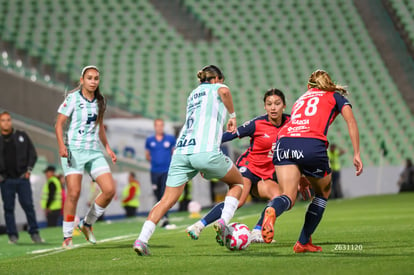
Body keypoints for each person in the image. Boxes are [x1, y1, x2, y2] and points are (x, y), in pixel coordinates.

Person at [133, 65, 244, 256]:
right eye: (221, 80)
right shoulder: (216, 88)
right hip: (205, 151)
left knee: (166, 200)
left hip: (182, 151)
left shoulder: (193, 95)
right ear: (216, 78)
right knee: (237, 182)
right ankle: (223, 222)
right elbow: (224, 91)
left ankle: (142, 240)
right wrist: (233, 116)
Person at [260, 69, 363, 253]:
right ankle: (303, 241)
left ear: (309, 86)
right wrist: (356, 153)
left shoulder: (301, 99)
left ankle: (273, 211)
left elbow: (297, 132)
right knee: (323, 192)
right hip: (311, 144)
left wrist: (301, 177)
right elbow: (351, 122)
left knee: (288, 197)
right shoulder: (335, 97)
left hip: (283, 141)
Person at [186, 88, 292, 243]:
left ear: (284, 105)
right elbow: (229, 135)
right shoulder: (257, 123)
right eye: (269, 104)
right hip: (248, 168)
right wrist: (206, 148)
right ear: (265, 107)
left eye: (277, 103)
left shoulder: (291, 123)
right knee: (238, 201)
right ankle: (198, 226)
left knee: (278, 197)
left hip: (265, 175)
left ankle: (257, 232)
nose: (273, 107)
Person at [55, 65, 117, 249]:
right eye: (89, 78)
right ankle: (67, 237)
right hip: (74, 150)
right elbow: (59, 125)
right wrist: (61, 146)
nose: (93, 81)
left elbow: (100, 126)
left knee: (109, 190)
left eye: (96, 78)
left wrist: (108, 148)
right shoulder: (73, 98)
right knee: (73, 193)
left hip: (94, 152)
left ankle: (87, 223)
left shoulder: (100, 101)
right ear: (82, 80)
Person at [0, 111, 44, 244]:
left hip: (22, 179)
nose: (6, 122)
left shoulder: (22, 136)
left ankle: (34, 233)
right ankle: (12, 236)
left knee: (28, 206)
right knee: (8, 209)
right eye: (3, 120)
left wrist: (29, 170)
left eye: (8, 120)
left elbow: (33, 154)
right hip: (5, 180)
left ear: (11, 121)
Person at [145, 118, 176, 227]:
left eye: (161, 125)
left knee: (164, 194)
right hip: (154, 171)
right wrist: (156, 162)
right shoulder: (150, 140)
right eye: (157, 125)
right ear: (155, 127)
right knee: (156, 194)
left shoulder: (170, 139)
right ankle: (158, 217)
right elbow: (147, 155)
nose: (159, 127)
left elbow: (174, 152)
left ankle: (165, 217)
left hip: (166, 171)